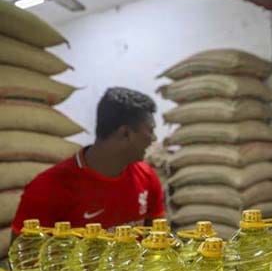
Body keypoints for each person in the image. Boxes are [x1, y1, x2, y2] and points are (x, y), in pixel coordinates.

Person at [11, 87, 165, 235]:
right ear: (125, 133)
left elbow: (157, 242)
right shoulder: (48, 189)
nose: (154, 138)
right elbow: (21, 257)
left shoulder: (146, 178)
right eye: (150, 130)